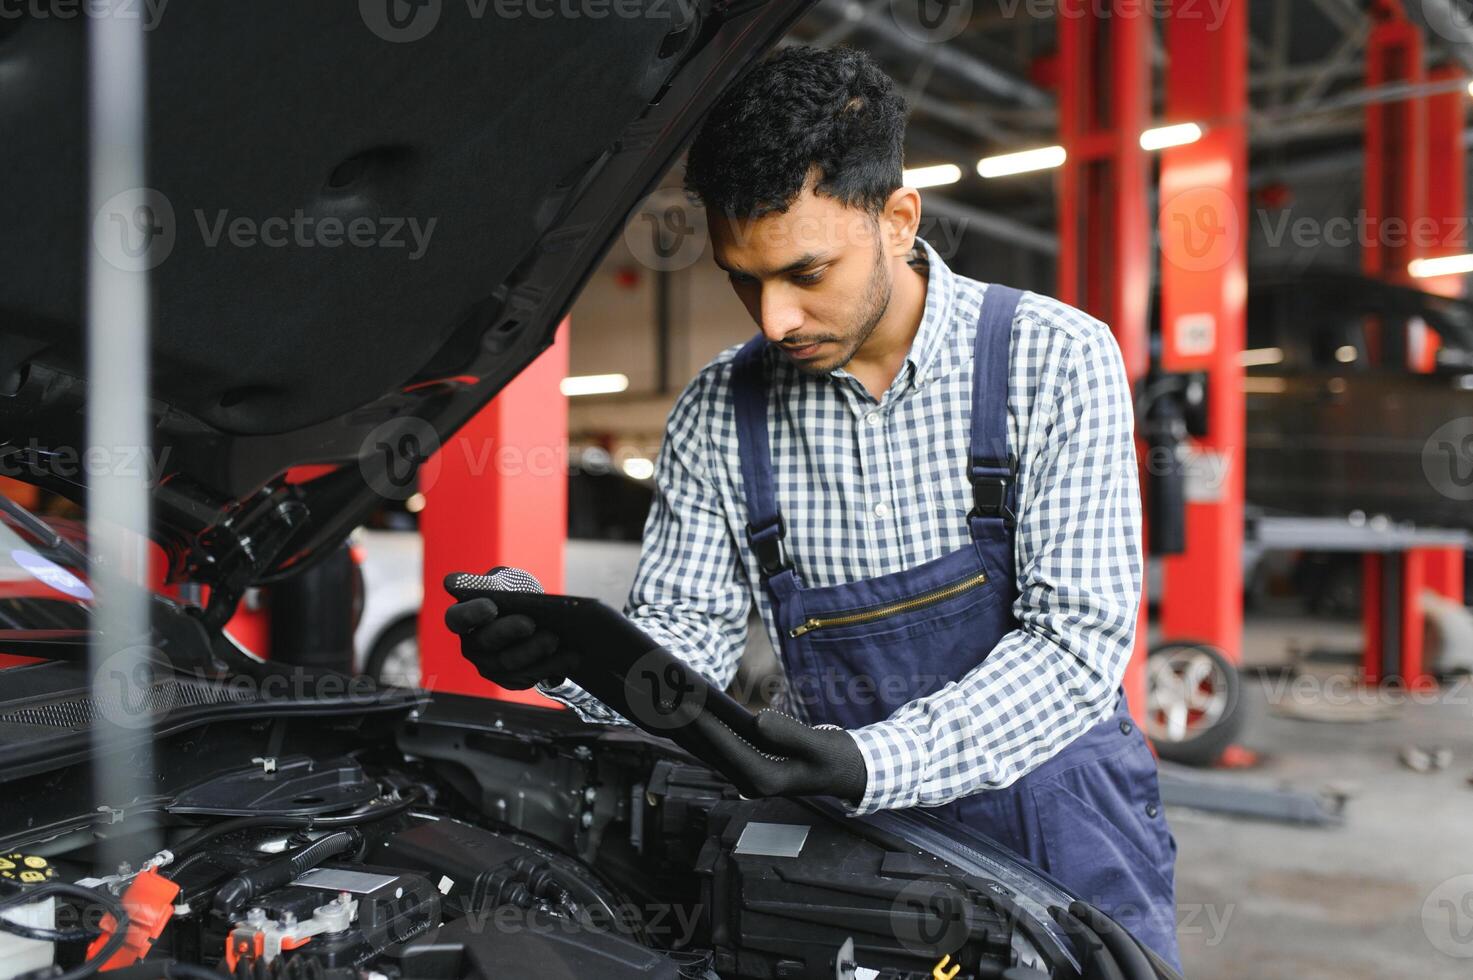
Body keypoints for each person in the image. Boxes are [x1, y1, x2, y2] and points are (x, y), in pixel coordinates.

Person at [446, 45, 1180, 968]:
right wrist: (572, 661)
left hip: (1060, 833)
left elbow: (1075, 646)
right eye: (741, 279)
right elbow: (690, 649)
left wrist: (875, 761)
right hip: (852, 851)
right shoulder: (719, 411)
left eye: (804, 273)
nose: (773, 320)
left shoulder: (1053, 359)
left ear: (897, 219)